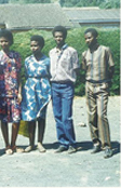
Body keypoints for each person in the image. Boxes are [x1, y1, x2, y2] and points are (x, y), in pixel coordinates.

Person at [82, 28, 115, 158]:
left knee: (101, 115)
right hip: (89, 85)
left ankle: (107, 145)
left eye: (89, 38)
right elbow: (84, 68)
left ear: (96, 37)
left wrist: (107, 81)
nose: (87, 40)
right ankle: (96, 143)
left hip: (102, 85)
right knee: (91, 115)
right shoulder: (85, 53)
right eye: (85, 38)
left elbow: (111, 67)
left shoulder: (105, 50)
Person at [49, 26, 79, 154]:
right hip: (54, 86)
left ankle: (72, 143)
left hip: (67, 86)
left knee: (66, 117)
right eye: (56, 36)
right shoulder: (51, 52)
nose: (58, 38)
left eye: (60, 36)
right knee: (58, 116)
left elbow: (76, 69)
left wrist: (72, 82)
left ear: (64, 37)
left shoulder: (71, 51)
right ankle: (62, 142)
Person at [0, 29, 24, 155]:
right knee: (4, 120)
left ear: (10, 41)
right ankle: (7, 145)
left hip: (14, 92)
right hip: (2, 92)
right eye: (1, 41)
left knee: (16, 120)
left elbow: (20, 76)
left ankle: (14, 143)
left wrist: (20, 92)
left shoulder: (16, 56)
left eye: (6, 41)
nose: (3, 43)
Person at [21, 35, 51, 153]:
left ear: (41, 46)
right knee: (30, 116)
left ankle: (40, 142)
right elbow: (26, 74)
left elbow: (50, 74)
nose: (33, 48)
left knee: (41, 116)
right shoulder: (28, 60)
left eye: (36, 45)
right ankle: (31, 143)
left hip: (43, 88)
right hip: (30, 89)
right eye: (32, 45)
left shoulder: (47, 60)